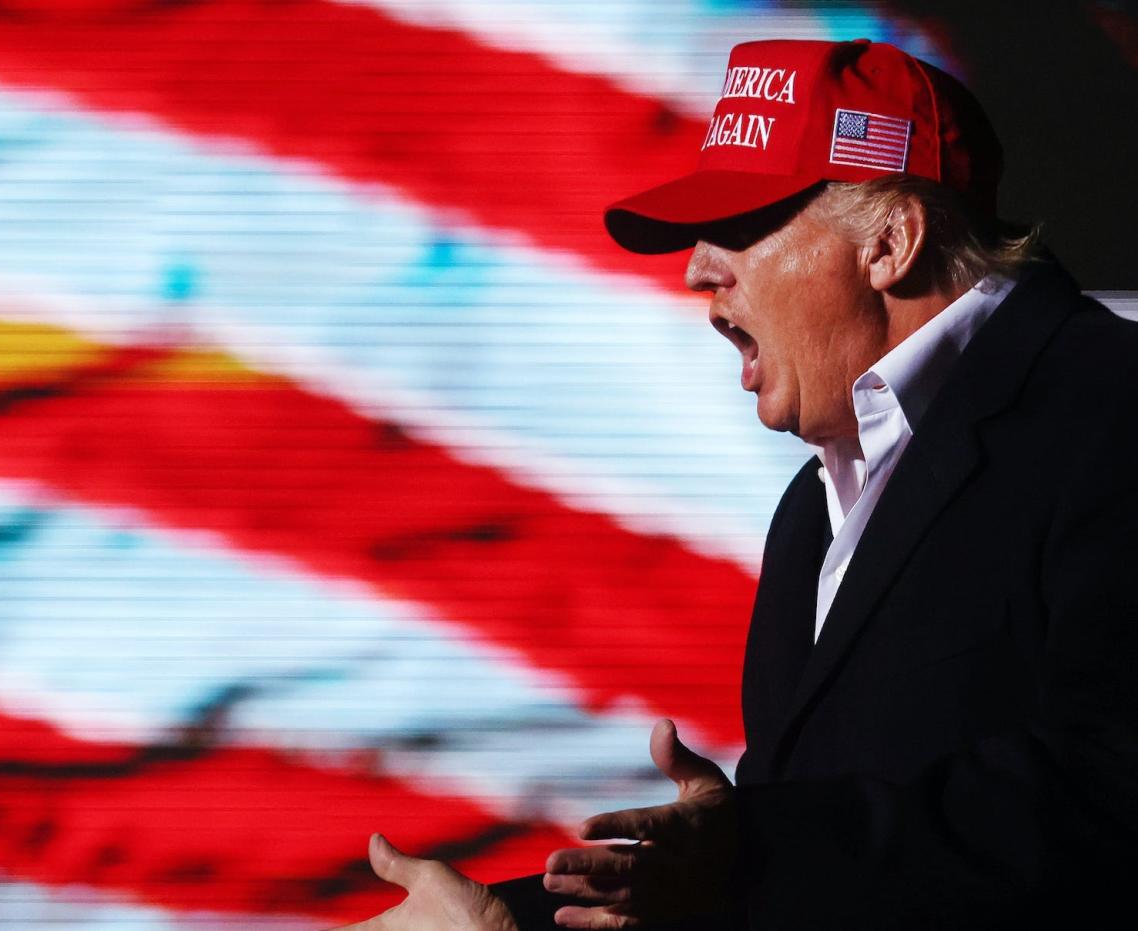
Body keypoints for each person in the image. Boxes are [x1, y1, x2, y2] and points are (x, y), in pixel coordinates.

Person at [337, 38, 1138, 931]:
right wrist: (507, 922)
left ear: (891, 240)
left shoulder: (1111, 411)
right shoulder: (812, 509)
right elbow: (817, 876)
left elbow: (1110, 795)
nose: (697, 269)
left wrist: (749, 852)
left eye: (745, 223)